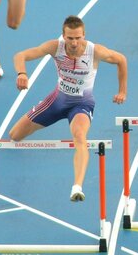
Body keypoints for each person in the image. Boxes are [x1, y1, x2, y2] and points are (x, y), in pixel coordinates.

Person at [9, 16, 127, 201]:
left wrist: (122, 91)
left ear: (84, 35)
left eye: (77, 38)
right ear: (63, 36)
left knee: (80, 136)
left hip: (82, 104)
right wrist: (22, 73)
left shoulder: (94, 51)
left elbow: (121, 60)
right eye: (70, 38)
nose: (73, 42)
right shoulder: (55, 47)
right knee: (14, 135)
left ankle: (77, 187)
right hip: (57, 100)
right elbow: (20, 56)